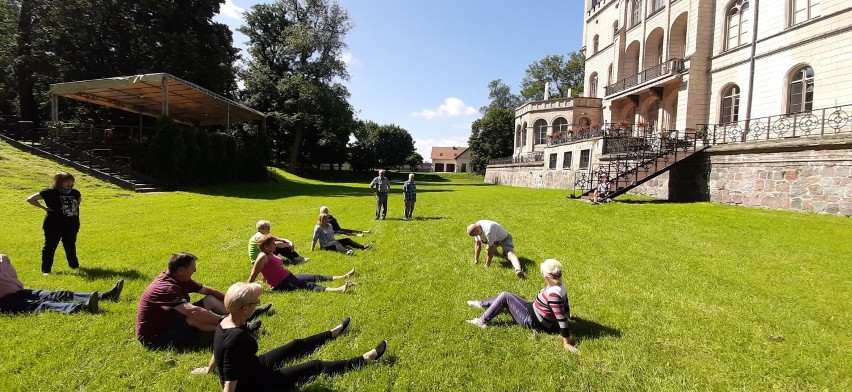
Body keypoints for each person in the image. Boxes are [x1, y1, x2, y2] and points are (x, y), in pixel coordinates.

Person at [190, 282, 388, 391]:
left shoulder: (226, 321)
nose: (258, 305)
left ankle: (333, 332)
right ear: (245, 309)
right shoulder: (236, 338)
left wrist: (207, 371)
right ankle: (364, 359)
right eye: (256, 303)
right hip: (254, 385)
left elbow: (218, 352)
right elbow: (229, 380)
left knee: (295, 345)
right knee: (315, 365)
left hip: (253, 366)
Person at [136, 252, 270, 350]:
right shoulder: (166, 288)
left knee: (210, 300)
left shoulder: (179, 278)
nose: (195, 270)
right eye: (192, 268)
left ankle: (242, 313)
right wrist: (222, 321)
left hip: (171, 320)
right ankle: (237, 330)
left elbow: (209, 291)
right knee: (192, 319)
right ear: (181, 270)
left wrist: (235, 302)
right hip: (156, 337)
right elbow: (193, 311)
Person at [465, 259, 578, 354]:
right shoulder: (560, 285)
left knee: (505, 296)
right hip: (532, 308)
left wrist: (567, 343)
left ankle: (481, 322)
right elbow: (566, 303)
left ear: (546, 276)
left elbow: (561, 319)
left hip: (533, 322)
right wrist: (569, 315)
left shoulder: (554, 295)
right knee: (507, 295)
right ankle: (481, 304)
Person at [0, 253, 122, 314]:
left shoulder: (2, 258)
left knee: (58, 294)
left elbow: (12, 277)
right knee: (40, 305)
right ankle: (82, 308)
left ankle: (104, 296)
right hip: (3, 300)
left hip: (18, 291)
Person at [249, 235, 355, 293]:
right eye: (273, 244)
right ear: (266, 247)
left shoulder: (269, 252)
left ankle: (343, 276)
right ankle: (338, 290)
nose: (275, 245)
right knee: (309, 285)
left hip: (288, 277)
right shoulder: (262, 256)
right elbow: (254, 273)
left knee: (314, 277)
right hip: (281, 284)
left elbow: (267, 269)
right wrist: (247, 289)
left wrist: (264, 279)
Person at [26, 171, 82, 275]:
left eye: (71, 182)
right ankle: (46, 270)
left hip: (71, 225)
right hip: (53, 224)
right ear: (59, 182)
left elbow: (78, 202)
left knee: (70, 245)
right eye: (67, 182)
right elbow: (30, 199)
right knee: (50, 247)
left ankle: (74, 266)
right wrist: (44, 208)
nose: (70, 184)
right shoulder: (49, 192)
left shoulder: (75, 193)